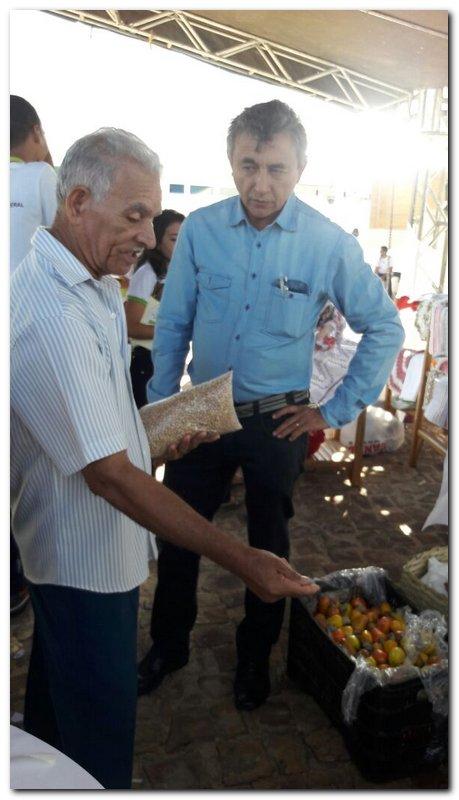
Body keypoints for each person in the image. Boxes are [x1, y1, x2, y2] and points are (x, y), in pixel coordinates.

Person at [10, 127, 319, 790]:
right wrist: (242, 560)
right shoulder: (51, 310)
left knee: (53, 727)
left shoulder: (90, 281)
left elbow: (97, 432)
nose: (149, 237)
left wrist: (159, 432)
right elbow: (110, 477)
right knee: (96, 751)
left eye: (152, 216)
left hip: (98, 555)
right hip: (81, 563)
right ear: (77, 204)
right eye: (136, 215)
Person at [141, 99, 405, 711]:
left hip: (279, 420)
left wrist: (333, 410)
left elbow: (384, 326)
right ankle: (168, 645)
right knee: (177, 533)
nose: (260, 184)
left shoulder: (326, 243)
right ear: (231, 162)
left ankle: (254, 661)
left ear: (301, 167)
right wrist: (160, 417)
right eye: (248, 165)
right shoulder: (202, 230)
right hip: (201, 414)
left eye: (277, 169)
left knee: (270, 547)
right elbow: (173, 322)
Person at [10, 95, 58, 616]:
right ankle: (26, 578)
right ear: (37, 131)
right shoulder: (43, 178)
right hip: (34, 336)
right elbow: (72, 244)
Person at [125, 209, 184, 408]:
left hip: (164, 359)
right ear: (157, 240)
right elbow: (130, 326)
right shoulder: (147, 273)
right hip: (145, 362)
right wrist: (170, 332)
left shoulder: (175, 272)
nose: (182, 245)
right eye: (175, 239)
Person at [10, 95, 57, 273]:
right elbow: (67, 237)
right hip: (25, 295)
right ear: (36, 132)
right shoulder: (41, 174)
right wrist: (46, 161)